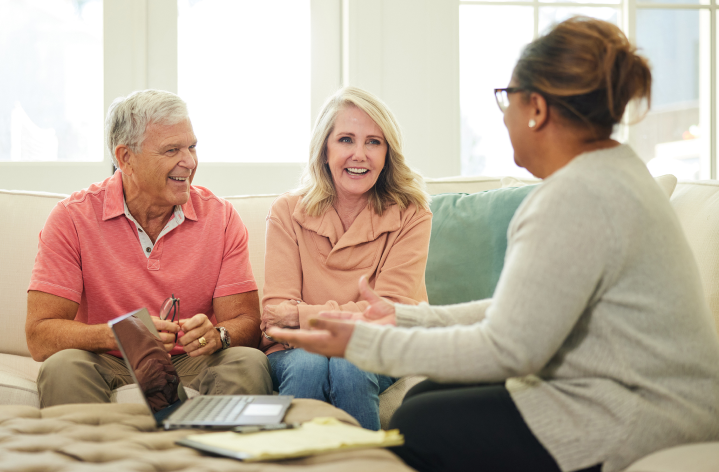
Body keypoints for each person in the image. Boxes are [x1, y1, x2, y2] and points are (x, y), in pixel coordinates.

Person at [268, 17, 719, 472]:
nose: (504, 116)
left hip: (638, 412)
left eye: (507, 98)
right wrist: (404, 317)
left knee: (420, 420)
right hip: (627, 391)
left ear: (536, 108)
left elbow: (509, 348)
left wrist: (369, 346)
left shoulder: (575, 198)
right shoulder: (611, 173)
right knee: (425, 397)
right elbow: (517, 312)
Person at [26, 89, 272, 407]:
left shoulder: (221, 217)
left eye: (192, 147)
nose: (190, 162)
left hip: (191, 362)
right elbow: (39, 336)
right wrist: (116, 334)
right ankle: (93, 457)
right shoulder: (73, 217)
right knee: (62, 367)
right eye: (172, 150)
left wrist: (218, 334)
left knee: (249, 362)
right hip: (106, 359)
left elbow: (247, 323)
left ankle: (215, 455)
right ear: (126, 158)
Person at [260, 86, 432, 430]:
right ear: (324, 149)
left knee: (349, 364)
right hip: (296, 350)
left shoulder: (412, 213)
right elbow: (275, 317)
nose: (360, 154)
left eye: (373, 142)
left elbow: (387, 313)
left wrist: (302, 314)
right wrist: (303, 318)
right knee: (309, 364)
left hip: (380, 346)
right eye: (346, 140)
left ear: (387, 154)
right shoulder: (286, 211)